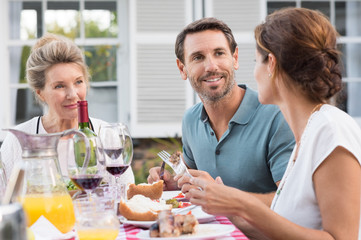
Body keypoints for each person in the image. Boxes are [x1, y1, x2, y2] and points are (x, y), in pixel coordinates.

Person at [186, 7, 361, 239]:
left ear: (272, 64)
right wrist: (226, 203)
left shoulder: (331, 129)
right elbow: (280, 230)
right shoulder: (306, 134)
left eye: (256, 61)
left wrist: (240, 203)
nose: (254, 73)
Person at [148, 17, 295, 205]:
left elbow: (291, 202)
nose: (211, 66)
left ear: (235, 58)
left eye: (219, 53)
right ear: (182, 68)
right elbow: (195, 182)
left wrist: (223, 197)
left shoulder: (276, 116)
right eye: (198, 57)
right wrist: (172, 184)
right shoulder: (190, 120)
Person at [0, 33, 134, 186]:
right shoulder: (18, 142)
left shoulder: (106, 134)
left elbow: (126, 195)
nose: (73, 94)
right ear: (40, 93)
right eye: (59, 86)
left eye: (78, 82)